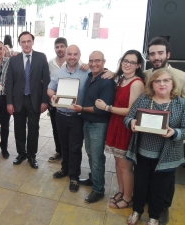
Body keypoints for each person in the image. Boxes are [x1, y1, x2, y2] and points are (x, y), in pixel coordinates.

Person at [124, 69, 185, 225]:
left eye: (166, 80)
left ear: (173, 83)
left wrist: (174, 132)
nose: (162, 84)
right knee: (140, 185)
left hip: (168, 157)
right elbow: (129, 117)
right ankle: (137, 211)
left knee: (160, 189)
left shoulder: (181, 103)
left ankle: (154, 217)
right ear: (152, 84)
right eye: (157, 81)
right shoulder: (144, 99)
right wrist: (131, 122)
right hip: (143, 154)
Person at [143, 36, 185, 225]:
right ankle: (149, 201)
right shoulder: (145, 75)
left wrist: (177, 133)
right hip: (147, 135)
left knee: (167, 175)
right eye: (152, 53)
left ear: (168, 54)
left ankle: (163, 207)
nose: (156, 57)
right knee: (149, 172)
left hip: (171, 136)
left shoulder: (181, 76)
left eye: (160, 53)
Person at [97, 50, 145, 209]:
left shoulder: (137, 83)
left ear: (138, 65)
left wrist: (107, 108)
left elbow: (132, 111)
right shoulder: (123, 79)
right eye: (125, 60)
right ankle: (122, 191)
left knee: (125, 165)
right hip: (116, 124)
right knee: (118, 162)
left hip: (126, 127)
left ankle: (128, 197)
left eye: (132, 62)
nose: (127, 64)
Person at [71, 51, 116, 203]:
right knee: (90, 154)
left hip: (98, 124)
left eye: (97, 61)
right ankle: (93, 179)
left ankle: (98, 190)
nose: (93, 64)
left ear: (104, 62)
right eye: (91, 61)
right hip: (87, 122)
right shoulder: (91, 76)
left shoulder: (107, 81)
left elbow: (100, 109)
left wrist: (81, 109)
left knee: (97, 158)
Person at [5, 31, 50, 169]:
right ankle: (21, 153)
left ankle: (32, 156)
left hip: (34, 100)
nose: (26, 44)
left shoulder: (41, 57)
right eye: (23, 42)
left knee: (33, 129)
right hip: (18, 100)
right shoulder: (14, 60)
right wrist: (9, 102)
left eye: (28, 41)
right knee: (18, 129)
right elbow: (9, 82)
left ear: (32, 42)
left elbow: (46, 81)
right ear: (19, 43)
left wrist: (45, 101)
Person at [47, 45, 89, 192]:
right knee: (64, 145)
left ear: (79, 55)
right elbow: (50, 88)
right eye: (69, 54)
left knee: (75, 147)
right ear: (65, 55)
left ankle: (74, 176)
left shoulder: (87, 72)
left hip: (77, 117)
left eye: (75, 54)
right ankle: (65, 169)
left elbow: (103, 73)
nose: (72, 57)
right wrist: (52, 94)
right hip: (61, 115)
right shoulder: (58, 73)